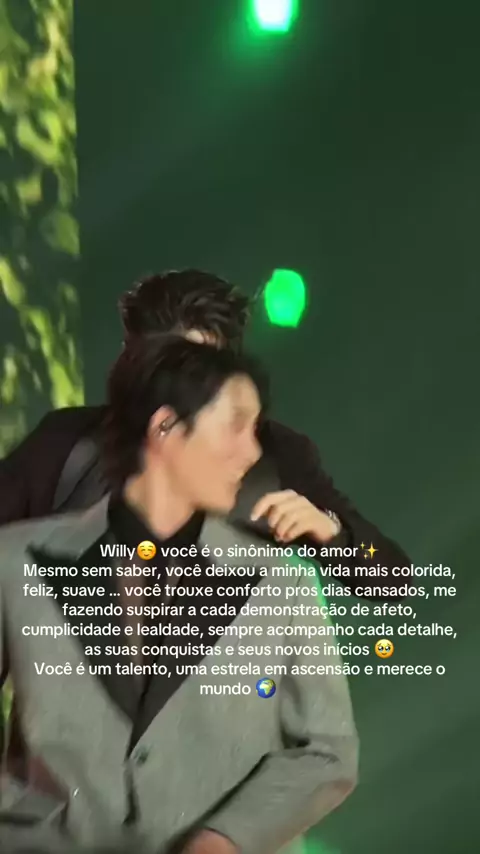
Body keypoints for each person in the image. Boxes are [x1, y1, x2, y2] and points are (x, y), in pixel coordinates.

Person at [0, 336, 358, 854]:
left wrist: (225, 839)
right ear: (165, 426)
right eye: (236, 424)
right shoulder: (13, 560)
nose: (252, 451)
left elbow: (328, 750)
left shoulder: (282, 580)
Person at [0, 269, 411, 595]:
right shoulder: (68, 442)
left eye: (196, 373)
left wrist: (333, 534)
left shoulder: (273, 457)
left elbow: (392, 577)